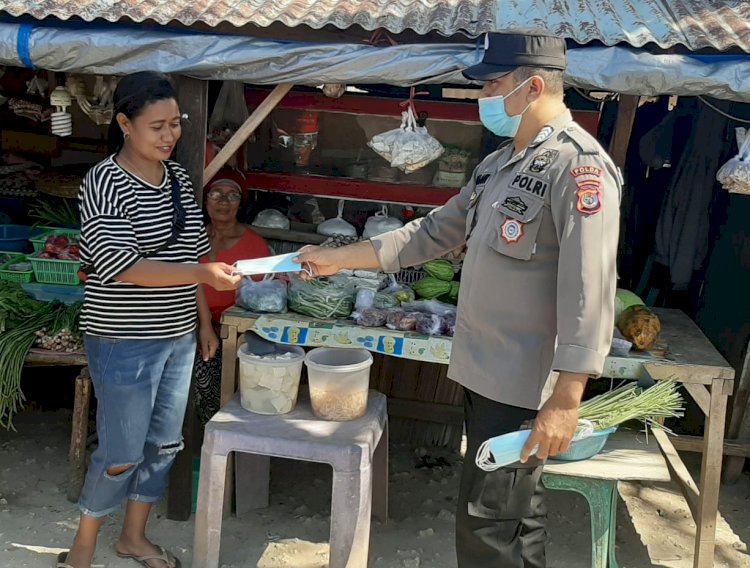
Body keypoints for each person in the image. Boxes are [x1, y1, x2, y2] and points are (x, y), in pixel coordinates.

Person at [297, 32, 622, 568]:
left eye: (493, 84)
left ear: (533, 85)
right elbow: (430, 234)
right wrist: (340, 257)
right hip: (484, 372)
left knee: (488, 528)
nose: (482, 96)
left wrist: (567, 398)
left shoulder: (579, 168)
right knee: (518, 518)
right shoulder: (500, 165)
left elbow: (591, 286)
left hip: (523, 385)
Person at [60, 72, 241, 568]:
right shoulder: (104, 182)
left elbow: (191, 255)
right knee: (121, 450)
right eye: (157, 126)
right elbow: (122, 265)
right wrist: (201, 272)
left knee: (163, 443)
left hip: (178, 335)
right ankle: (83, 547)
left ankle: (132, 538)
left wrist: (203, 321)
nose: (169, 135)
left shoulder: (180, 179)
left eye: (175, 124)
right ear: (124, 123)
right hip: (122, 338)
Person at [193, 177, 270, 424]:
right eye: (216, 194)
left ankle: (219, 439)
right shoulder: (192, 238)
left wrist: (222, 329)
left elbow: (261, 297)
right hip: (193, 320)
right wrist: (203, 325)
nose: (224, 202)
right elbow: (189, 281)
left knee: (216, 372)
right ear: (205, 201)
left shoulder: (254, 245)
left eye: (232, 195)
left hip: (238, 328)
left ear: (240, 204)